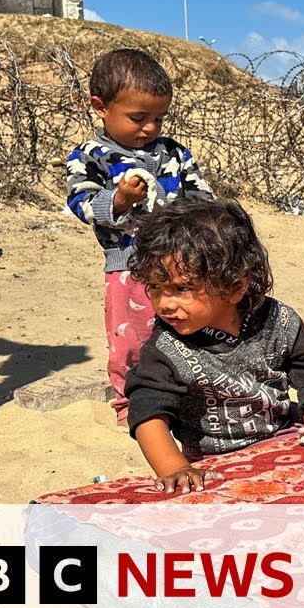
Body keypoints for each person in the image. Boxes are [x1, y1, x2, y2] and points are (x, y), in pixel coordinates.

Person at [125, 199, 304, 494]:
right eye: (156, 288)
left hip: (288, 441)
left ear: (235, 286)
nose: (164, 304)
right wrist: (176, 469)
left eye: (182, 289)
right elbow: (147, 411)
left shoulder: (280, 321)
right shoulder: (166, 347)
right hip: (214, 464)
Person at [65, 48, 215, 424]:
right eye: (138, 118)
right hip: (128, 267)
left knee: (186, 330)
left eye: (158, 118)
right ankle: (130, 405)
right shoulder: (91, 156)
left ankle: (189, 395)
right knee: (130, 342)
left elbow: (202, 197)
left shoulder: (175, 154)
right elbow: (80, 202)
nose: (149, 128)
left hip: (182, 266)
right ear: (100, 107)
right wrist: (118, 200)